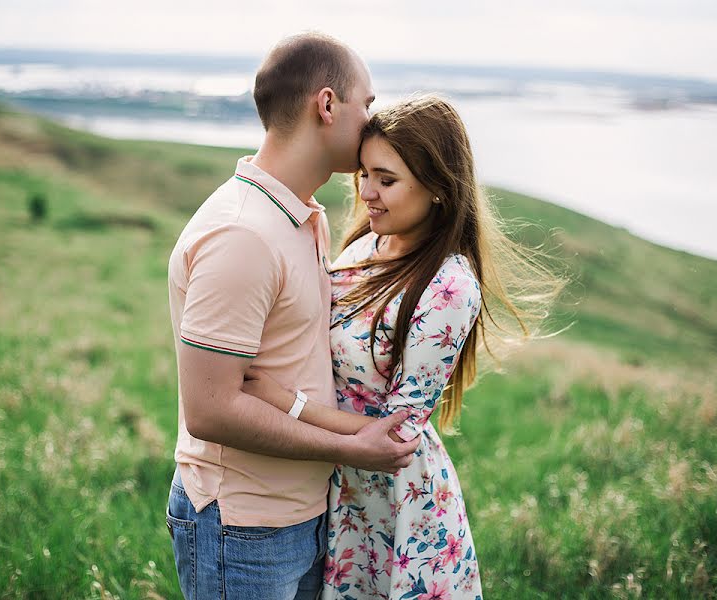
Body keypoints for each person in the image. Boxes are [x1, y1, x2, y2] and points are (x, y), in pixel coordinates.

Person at [242, 95, 565, 599]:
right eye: (364, 175)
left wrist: (286, 401)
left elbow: (398, 435)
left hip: (394, 508)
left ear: (437, 187)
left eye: (386, 180)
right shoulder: (365, 245)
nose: (367, 193)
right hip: (334, 485)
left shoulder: (449, 287)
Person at [165, 33, 420, 600]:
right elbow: (209, 411)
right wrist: (352, 449)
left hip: (302, 516)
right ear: (327, 106)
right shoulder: (243, 233)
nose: (375, 120)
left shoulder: (300, 214)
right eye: (368, 104)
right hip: (244, 529)